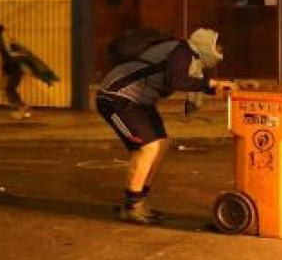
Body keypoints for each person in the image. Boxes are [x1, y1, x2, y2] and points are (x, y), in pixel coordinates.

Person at [96, 27, 232, 224]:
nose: (219, 53)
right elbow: (176, 80)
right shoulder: (181, 52)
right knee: (147, 147)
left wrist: (220, 86)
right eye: (217, 48)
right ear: (206, 47)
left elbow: (191, 81)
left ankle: (139, 202)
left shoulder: (190, 58)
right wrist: (210, 85)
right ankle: (132, 206)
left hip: (139, 101)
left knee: (161, 144)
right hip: (116, 97)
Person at [0, 24, 59, 119]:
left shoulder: (7, 48)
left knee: (8, 89)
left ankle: (22, 109)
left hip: (13, 70)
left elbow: (5, 50)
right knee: (6, 88)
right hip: (12, 70)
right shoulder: (10, 46)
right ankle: (22, 109)